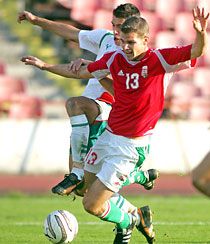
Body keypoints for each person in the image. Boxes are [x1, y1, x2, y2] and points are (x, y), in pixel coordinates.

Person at [21, 6, 209, 243]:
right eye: (123, 42)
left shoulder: (161, 59)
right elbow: (81, 72)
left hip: (130, 148)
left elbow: (197, 50)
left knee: (92, 205)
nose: (126, 48)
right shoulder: (115, 57)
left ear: (145, 40)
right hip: (108, 137)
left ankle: (129, 220)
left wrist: (201, 33)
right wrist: (45, 66)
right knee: (83, 191)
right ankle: (139, 189)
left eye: (131, 42)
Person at [18, 4, 159, 197]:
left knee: (75, 103)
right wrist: (36, 21)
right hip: (89, 113)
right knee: (84, 191)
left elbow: (124, 88)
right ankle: (138, 182)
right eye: (113, 25)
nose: (116, 31)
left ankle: (77, 172)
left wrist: (93, 67)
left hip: (110, 111)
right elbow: (72, 34)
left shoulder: (137, 56)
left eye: (121, 26)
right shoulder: (105, 39)